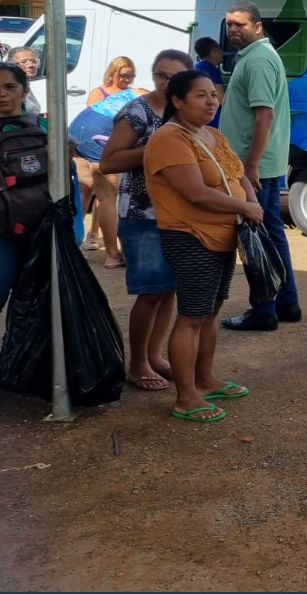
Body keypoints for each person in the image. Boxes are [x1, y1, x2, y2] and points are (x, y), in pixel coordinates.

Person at [144, 69, 263, 423]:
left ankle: (206, 380)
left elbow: (238, 174)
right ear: (177, 101)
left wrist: (251, 204)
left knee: (210, 312)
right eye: (200, 95)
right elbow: (196, 193)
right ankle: (185, 397)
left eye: (213, 94)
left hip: (225, 235)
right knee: (192, 316)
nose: (211, 101)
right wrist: (246, 207)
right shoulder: (170, 138)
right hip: (191, 236)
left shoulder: (212, 134)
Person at [99, 49, 194, 391]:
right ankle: (137, 363)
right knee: (151, 292)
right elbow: (109, 162)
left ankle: (155, 356)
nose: (165, 83)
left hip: (178, 213)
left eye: (174, 77)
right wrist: (156, 146)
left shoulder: (185, 110)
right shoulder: (137, 111)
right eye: (159, 75)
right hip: (142, 214)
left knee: (168, 290)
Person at [217, 0, 301, 330]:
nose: (232, 29)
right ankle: (286, 302)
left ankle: (264, 309)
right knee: (270, 235)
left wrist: (249, 167)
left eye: (239, 24)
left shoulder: (259, 61)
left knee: (255, 238)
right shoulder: (255, 58)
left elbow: (263, 115)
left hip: (255, 168)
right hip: (260, 165)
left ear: (257, 26)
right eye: (228, 24)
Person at [79, 55, 146, 269]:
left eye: (131, 76)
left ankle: (75, 245)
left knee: (90, 195)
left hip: (79, 135)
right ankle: (112, 255)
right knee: (106, 196)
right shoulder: (141, 98)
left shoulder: (131, 94)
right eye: (124, 75)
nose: (127, 79)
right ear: (113, 72)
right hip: (98, 141)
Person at [0, 60, 50, 313]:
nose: (2, 93)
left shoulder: (44, 126)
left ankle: (19, 353)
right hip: (2, 232)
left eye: (10, 86)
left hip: (41, 229)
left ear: (25, 90)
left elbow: (66, 175)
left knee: (32, 302)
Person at [194, 36, 226, 129]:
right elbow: (221, 99)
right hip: (212, 123)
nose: (222, 52)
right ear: (213, 50)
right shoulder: (211, 70)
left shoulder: (197, 67)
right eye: (219, 48)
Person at [7, 46, 40, 114]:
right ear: (11, 64)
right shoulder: (10, 87)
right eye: (23, 62)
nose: (31, 65)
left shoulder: (24, 84)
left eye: (33, 61)